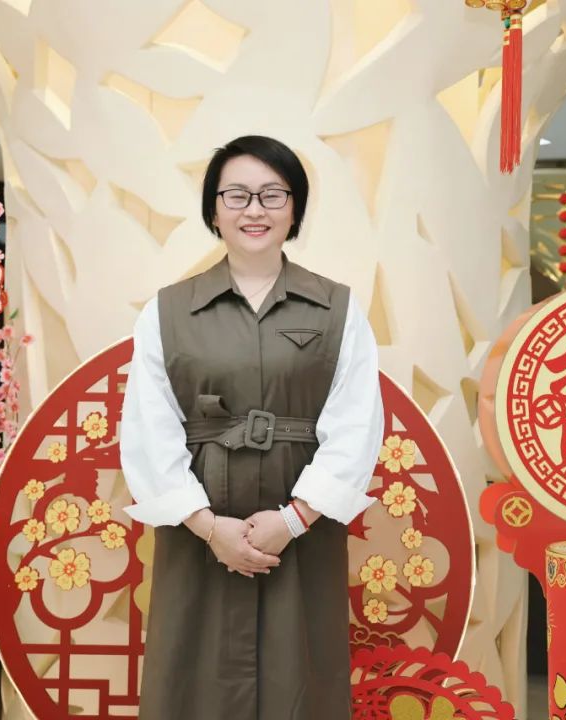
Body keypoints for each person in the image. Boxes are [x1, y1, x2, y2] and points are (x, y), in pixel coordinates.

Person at [119, 135, 384, 720]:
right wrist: (207, 526)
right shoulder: (167, 310)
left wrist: (293, 520)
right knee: (192, 676)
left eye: (272, 194)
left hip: (302, 532)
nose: (254, 210)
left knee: (301, 676)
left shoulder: (337, 309)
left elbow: (357, 422)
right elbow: (149, 427)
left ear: (295, 208)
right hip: (199, 531)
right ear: (214, 211)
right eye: (236, 195)